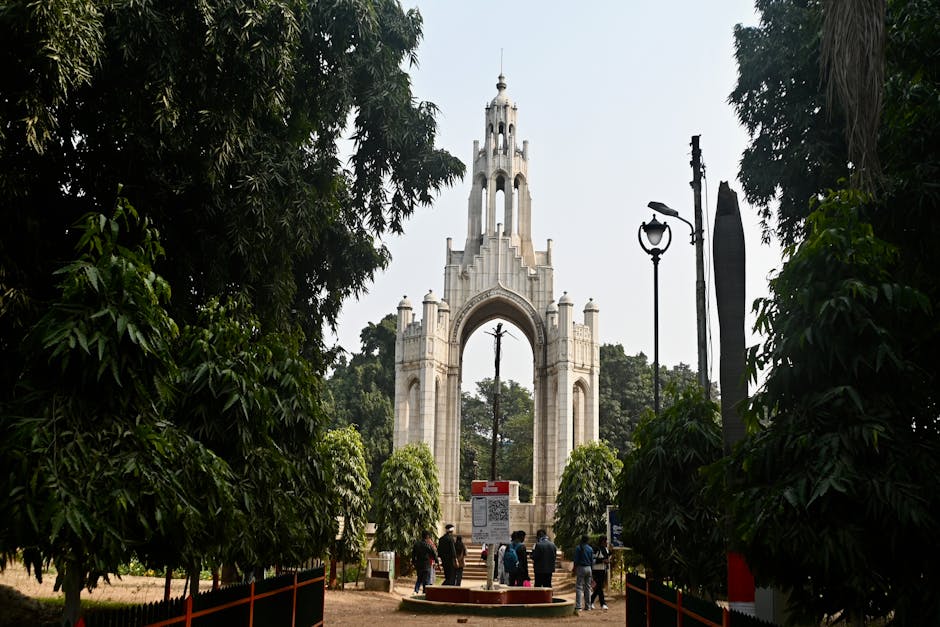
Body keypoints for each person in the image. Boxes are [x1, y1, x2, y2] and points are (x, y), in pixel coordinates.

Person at [573, 534, 594, 612]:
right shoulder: (590, 548)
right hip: (589, 568)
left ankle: (578, 606)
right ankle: (588, 606)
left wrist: (574, 569)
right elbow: (592, 561)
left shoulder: (578, 548)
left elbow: (576, 560)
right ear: (588, 540)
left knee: (579, 587)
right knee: (588, 587)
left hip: (581, 568)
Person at [590, 536, 611, 610]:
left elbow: (607, 557)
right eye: (605, 541)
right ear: (602, 541)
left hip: (603, 570)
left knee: (599, 587)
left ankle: (591, 601)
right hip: (596, 570)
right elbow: (592, 560)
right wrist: (602, 560)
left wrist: (610, 554)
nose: (606, 543)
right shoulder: (596, 549)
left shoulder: (606, 549)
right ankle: (603, 604)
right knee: (599, 587)